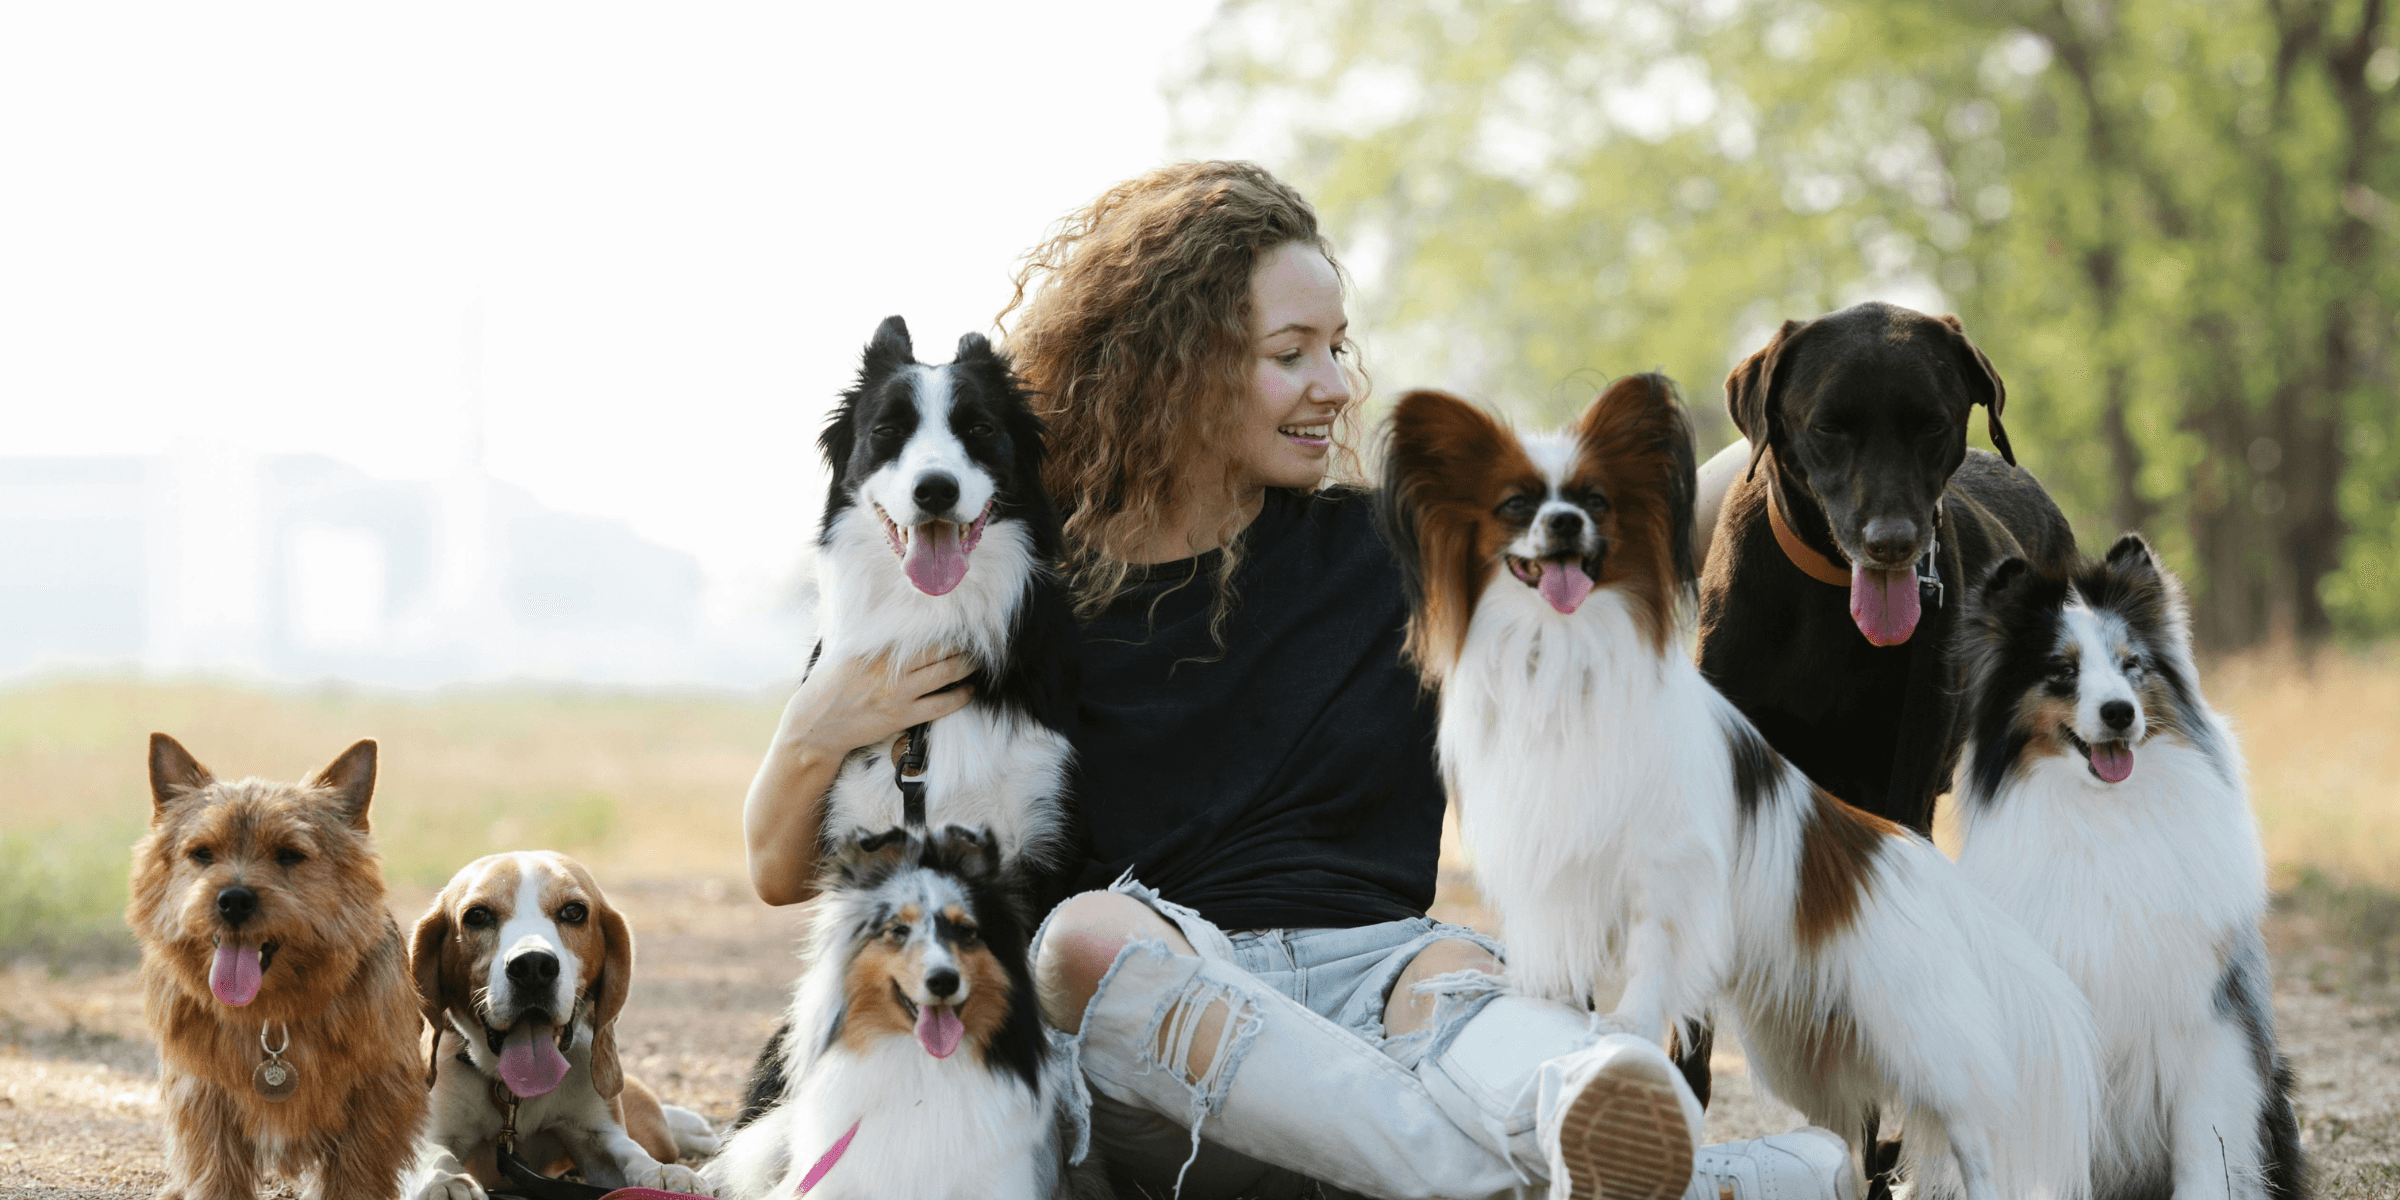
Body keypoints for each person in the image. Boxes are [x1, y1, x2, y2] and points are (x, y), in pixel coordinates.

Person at [744, 161, 1849, 1200]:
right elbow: (784, 869)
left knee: (1463, 968)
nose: (1335, 386)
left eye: (1339, 348)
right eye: (1293, 353)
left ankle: (1585, 1127)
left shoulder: (1393, 548)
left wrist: (1819, 443)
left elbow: (1651, 514)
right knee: (1084, 939)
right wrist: (810, 729)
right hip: (1168, 1020)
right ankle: (1691, 1185)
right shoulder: (1012, 589)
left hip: (1383, 977)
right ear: (1175, 369)